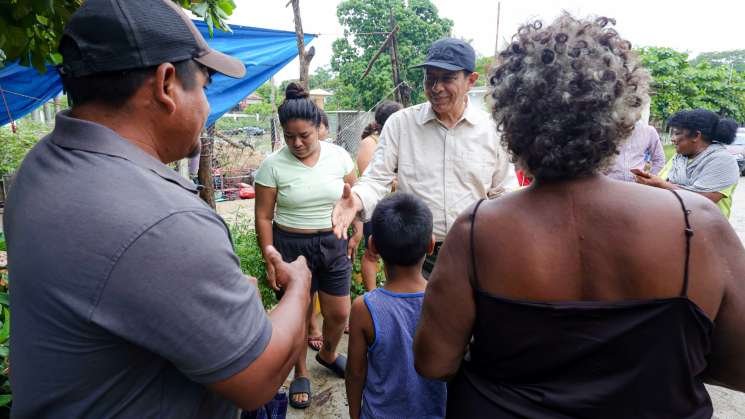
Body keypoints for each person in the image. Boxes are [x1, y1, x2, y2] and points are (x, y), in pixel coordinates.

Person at [413, 14, 745, 418]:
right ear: (620, 115)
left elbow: (434, 363)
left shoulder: (477, 229)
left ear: (510, 118)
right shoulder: (697, 224)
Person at [4, 1, 312, 417]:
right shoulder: (164, 220)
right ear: (167, 84)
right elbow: (256, 378)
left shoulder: (41, 166)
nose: (206, 105)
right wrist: (298, 288)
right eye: (203, 86)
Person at [332, 37, 511, 277]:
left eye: (447, 78)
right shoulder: (401, 124)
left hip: (476, 252)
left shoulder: (491, 129)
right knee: (418, 315)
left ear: (471, 80)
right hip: (416, 255)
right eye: (430, 78)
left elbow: (504, 192)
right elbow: (377, 179)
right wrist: (356, 199)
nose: (436, 87)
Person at [254, 82, 362, 409]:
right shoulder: (272, 165)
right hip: (291, 245)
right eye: (289, 137)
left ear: (319, 127)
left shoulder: (340, 157)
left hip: (333, 241)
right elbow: (263, 217)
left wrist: (357, 228)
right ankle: (300, 371)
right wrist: (270, 258)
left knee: (339, 311)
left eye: (305, 135)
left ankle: (328, 354)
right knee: (299, 314)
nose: (297, 143)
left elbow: (352, 198)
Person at [346, 193, 446, 419]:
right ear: (431, 245)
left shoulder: (365, 308)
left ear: (373, 245)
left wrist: (355, 414)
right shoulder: (445, 301)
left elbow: (355, 372)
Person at [633, 109, 740, 218]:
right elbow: (664, 182)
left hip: (707, 230)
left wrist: (661, 184)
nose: (672, 139)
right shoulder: (679, 157)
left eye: (677, 133)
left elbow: (703, 201)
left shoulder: (723, 161)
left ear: (696, 136)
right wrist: (647, 181)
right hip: (675, 225)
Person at [356, 100, 403, 291]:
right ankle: (372, 294)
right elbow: (369, 176)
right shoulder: (370, 143)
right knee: (372, 252)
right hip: (375, 208)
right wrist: (395, 181)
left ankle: (389, 289)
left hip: (394, 208)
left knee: (392, 254)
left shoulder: (397, 141)